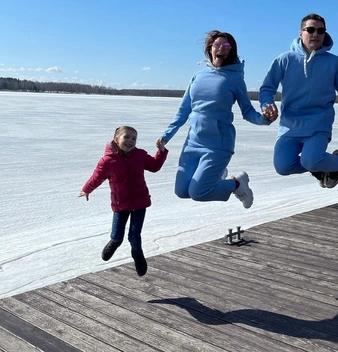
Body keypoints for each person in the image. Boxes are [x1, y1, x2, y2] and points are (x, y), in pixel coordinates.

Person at [158, 30, 275, 209]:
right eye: (218, 45)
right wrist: (166, 136)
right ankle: (217, 176)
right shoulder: (198, 75)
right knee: (182, 191)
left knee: (198, 192)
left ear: (231, 51)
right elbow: (184, 110)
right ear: (210, 48)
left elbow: (248, 112)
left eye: (227, 46)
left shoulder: (235, 78)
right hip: (193, 142)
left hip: (218, 145)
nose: (222, 49)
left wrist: (265, 119)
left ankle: (237, 183)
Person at [259, 13, 338, 188]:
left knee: (311, 160)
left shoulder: (335, 63)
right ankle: (322, 168)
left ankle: (336, 161)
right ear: (301, 33)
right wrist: (267, 104)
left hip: (318, 126)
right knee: (283, 166)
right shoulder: (285, 60)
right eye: (311, 29)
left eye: (320, 31)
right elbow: (267, 88)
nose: (315, 34)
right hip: (290, 126)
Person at [79, 126, 168, 276]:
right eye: (126, 137)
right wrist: (87, 189)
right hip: (121, 204)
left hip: (140, 202)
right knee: (118, 237)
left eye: (134, 138)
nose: (130, 141)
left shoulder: (140, 155)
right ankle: (113, 243)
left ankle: (137, 254)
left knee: (134, 236)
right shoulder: (108, 161)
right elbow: (97, 177)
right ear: (116, 139)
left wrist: (161, 151)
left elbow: (154, 166)